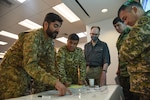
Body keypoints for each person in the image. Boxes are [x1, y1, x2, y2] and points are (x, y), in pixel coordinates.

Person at [0, 12, 71, 99]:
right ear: (46, 24)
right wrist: (55, 82)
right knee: (15, 93)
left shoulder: (50, 42)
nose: (58, 30)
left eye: (59, 27)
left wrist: (60, 81)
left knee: (26, 90)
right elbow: (30, 65)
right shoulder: (33, 36)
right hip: (11, 68)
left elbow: (49, 66)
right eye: (55, 26)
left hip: (24, 69)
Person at [118, 1, 150, 100]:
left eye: (125, 18)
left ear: (134, 10)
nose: (126, 23)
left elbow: (124, 53)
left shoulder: (144, 22)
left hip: (145, 82)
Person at [113, 17, 139, 100]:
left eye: (118, 25)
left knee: (135, 96)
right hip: (123, 72)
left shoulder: (133, 32)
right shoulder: (119, 39)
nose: (117, 28)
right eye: (115, 27)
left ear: (124, 23)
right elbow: (119, 56)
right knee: (126, 95)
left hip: (133, 72)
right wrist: (119, 69)